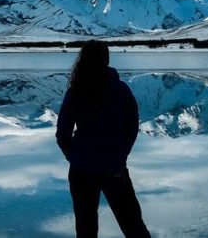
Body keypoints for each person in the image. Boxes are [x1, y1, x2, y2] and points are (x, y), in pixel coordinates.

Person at [56, 40, 151, 238]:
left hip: (81, 168)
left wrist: (75, 156)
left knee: (86, 228)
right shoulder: (121, 90)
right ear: (106, 59)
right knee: (133, 225)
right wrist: (120, 153)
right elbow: (132, 126)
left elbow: (62, 133)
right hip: (113, 167)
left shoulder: (76, 91)